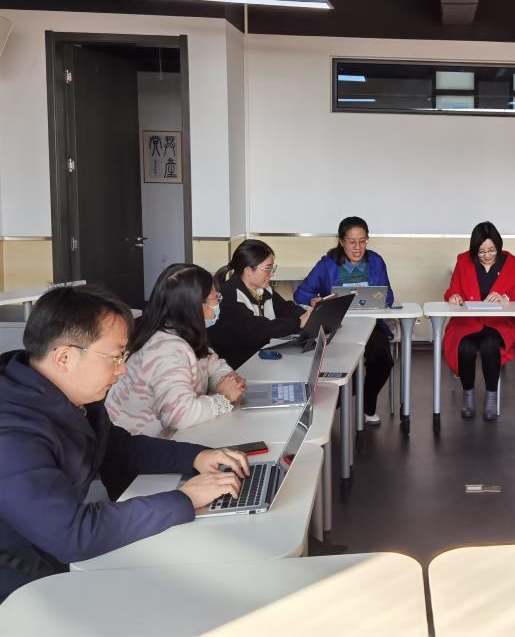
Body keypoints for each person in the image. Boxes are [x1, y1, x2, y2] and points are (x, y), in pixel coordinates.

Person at [0, 285, 249, 602]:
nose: (123, 369)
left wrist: (198, 456)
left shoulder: (70, 398)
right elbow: (72, 534)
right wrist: (184, 499)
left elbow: (120, 450)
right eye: (115, 357)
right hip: (17, 588)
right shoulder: (12, 434)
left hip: (46, 556)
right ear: (64, 357)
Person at [106, 264, 246, 437]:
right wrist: (224, 397)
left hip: (173, 439)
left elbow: (215, 366)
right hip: (139, 445)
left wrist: (225, 382)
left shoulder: (182, 333)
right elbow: (179, 416)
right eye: (215, 298)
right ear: (194, 305)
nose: (218, 303)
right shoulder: (166, 350)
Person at [294, 216, 395, 425]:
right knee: (346, 368)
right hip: (337, 326)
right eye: (351, 242)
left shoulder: (376, 261)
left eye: (362, 241)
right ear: (341, 241)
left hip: (370, 325)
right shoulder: (327, 264)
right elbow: (301, 294)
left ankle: (367, 404)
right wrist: (313, 299)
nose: (358, 247)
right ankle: (326, 410)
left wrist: (380, 298)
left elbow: (389, 296)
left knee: (383, 360)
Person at [444, 222, 515, 421]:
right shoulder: (464, 262)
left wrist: (505, 298)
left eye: (491, 250)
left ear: (498, 247)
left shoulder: (510, 265)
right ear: (474, 249)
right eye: (481, 251)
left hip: (498, 323)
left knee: (489, 344)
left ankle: (491, 397)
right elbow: (452, 290)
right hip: (468, 322)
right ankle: (468, 395)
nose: (487, 255)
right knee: (465, 346)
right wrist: (454, 296)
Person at [207, 239, 311, 369]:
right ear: (248, 269)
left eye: (272, 268)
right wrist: (298, 322)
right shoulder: (228, 296)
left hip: (261, 360)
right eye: (267, 269)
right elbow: (257, 329)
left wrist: (310, 315)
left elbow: (286, 309)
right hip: (238, 368)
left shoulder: (263, 289)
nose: (271, 274)